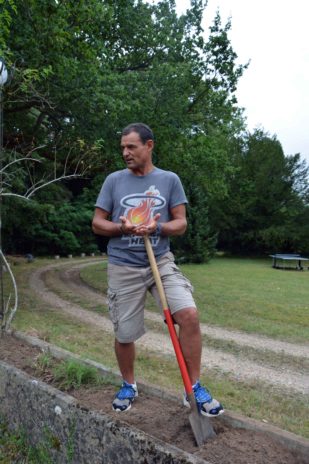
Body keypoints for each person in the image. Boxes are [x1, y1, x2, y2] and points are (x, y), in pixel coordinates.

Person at [92, 123, 224, 417]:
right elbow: (97, 223)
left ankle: (194, 388)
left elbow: (181, 222)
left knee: (188, 314)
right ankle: (129, 385)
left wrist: (158, 226)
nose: (125, 153)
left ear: (149, 146)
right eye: (122, 148)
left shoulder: (169, 180)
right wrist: (119, 227)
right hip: (123, 265)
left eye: (131, 147)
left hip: (160, 261)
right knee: (124, 333)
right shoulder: (114, 181)